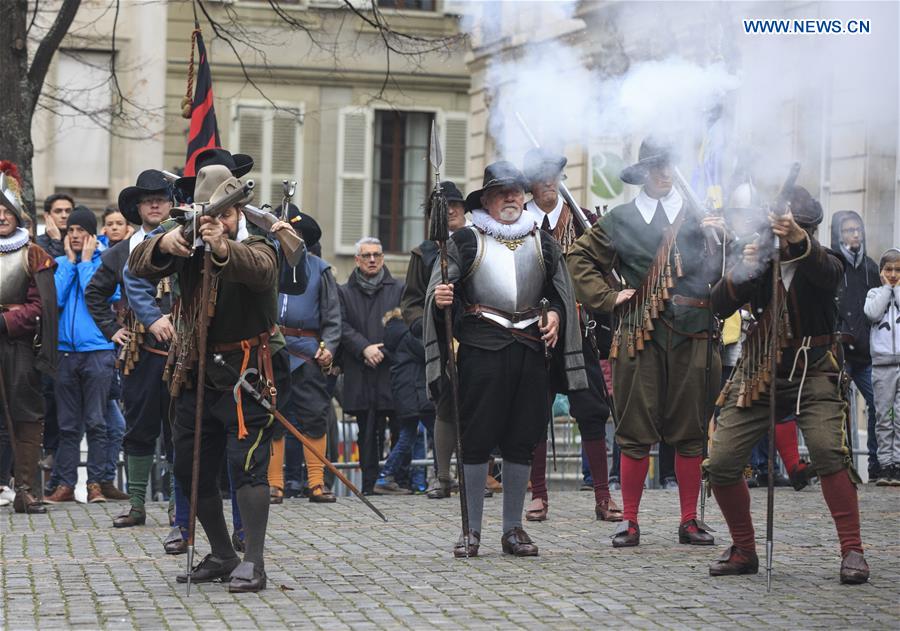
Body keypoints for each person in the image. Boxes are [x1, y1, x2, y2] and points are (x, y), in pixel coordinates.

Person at [129, 164, 292, 592]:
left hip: (250, 370)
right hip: (195, 370)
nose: (218, 221)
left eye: (225, 214)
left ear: (238, 210)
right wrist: (166, 241)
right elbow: (138, 263)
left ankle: (253, 561)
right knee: (189, 467)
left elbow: (262, 270)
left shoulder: (257, 242)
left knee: (248, 466)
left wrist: (222, 245)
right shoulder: (185, 241)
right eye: (212, 215)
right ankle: (222, 553)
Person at [704, 187, 869, 585]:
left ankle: (853, 550)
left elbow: (828, 274)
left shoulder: (823, 260)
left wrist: (799, 239)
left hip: (814, 368)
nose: (785, 234)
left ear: (808, 229)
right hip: (760, 366)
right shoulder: (759, 258)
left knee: (830, 453)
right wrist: (741, 273)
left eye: (797, 229)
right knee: (723, 462)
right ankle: (744, 548)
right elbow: (718, 305)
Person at [567, 138, 725, 548]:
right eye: (657, 166)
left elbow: (731, 271)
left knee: (691, 430)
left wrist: (720, 240)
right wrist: (607, 297)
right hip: (639, 333)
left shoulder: (699, 215)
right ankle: (631, 521)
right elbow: (578, 260)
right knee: (635, 427)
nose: (665, 173)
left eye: (670, 164)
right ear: (643, 173)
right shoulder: (620, 219)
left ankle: (690, 519)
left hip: (694, 332)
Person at [425, 161, 587, 558]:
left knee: (522, 439)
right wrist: (443, 300)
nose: (512, 197)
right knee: (477, 438)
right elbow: (442, 293)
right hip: (481, 349)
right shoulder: (465, 240)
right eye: (503, 192)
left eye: (517, 191)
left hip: (531, 350)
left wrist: (553, 314)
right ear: (488, 200)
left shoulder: (543, 243)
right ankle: (472, 531)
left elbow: (558, 293)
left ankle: (514, 530)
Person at [520, 148, 620, 522]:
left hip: (581, 333)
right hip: (532, 331)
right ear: (531, 183)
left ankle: (602, 495)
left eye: (555, 175)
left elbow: (605, 269)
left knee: (592, 411)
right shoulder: (518, 224)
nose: (549, 182)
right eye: (542, 175)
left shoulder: (583, 220)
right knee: (532, 411)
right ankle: (539, 495)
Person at [85, 170, 176, 526]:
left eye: (161, 198)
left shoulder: (184, 243)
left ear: (171, 204)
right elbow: (94, 294)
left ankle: (176, 506)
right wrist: (112, 330)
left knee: (179, 430)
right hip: (140, 354)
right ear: (137, 207)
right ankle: (137, 504)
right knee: (139, 427)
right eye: (147, 199)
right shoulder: (121, 252)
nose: (155, 204)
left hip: (184, 352)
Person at [44, 206, 118, 504]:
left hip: (98, 351)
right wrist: (70, 264)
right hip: (64, 353)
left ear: (92, 234)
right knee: (67, 424)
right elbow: (55, 299)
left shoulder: (105, 262)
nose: (75, 235)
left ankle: (96, 485)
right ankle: (65, 485)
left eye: (81, 231)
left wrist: (86, 263)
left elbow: (96, 295)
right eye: (71, 230)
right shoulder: (60, 263)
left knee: (97, 421)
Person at [399, 181, 467, 499]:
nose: (451, 210)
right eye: (443, 207)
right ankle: (442, 476)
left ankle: (476, 473)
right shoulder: (423, 254)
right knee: (445, 407)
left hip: (478, 336)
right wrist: (422, 324)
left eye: (456, 205)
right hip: (441, 341)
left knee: (480, 406)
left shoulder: (474, 244)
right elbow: (411, 301)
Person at [271, 207, 340, 503]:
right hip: (272, 351)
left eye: (294, 235)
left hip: (309, 354)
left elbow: (333, 318)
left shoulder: (320, 269)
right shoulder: (266, 266)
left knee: (314, 416)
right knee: (273, 417)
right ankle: (274, 484)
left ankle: (316, 483)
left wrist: (328, 349)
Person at [0, 164, 58, 514]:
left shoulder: (33, 253)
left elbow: (42, 307)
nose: (1, 218)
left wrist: (6, 320)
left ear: (17, 215)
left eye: (6, 212)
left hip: (18, 347)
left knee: (26, 415)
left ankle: (25, 490)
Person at [338, 237, 404, 495]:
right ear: (357, 260)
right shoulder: (344, 291)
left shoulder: (399, 288)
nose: (372, 260)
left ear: (383, 258)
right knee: (366, 432)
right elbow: (340, 325)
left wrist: (382, 350)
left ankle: (397, 480)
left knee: (398, 427)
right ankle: (367, 486)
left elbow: (405, 324)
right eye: (366, 255)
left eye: (376, 254)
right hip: (360, 369)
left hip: (391, 371)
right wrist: (363, 347)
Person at [830, 210, 882, 481]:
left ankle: (876, 464)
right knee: (838, 408)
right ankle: (843, 468)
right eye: (849, 230)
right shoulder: (832, 265)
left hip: (866, 351)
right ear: (839, 233)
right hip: (839, 351)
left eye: (858, 229)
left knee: (878, 402)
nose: (855, 234)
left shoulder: (871, 268)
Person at [374, 308, 435, 494]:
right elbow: (426, 353)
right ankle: (442, 476)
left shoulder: (393, 337)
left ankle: (386, 476)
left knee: (407, 436)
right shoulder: (407, 335)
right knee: (437, 432)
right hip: (417, 393)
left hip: (405, 395)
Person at [864, 248, 900, 486]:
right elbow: (873, 313)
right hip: (882, 366)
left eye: (898, 270)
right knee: (884, 417)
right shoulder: (874, 293)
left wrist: (896, 290)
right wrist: (888, 289)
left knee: (899, 417)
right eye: (889, 270)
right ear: (880, 273)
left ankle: (898, 463)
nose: (893, 274)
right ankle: (885, 463)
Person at [36, 193, 73, 258]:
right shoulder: (36, 244)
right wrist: (56, 240)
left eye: (68, 211)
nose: (64, 216)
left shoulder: (79, 242)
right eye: (58, 211)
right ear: (47, 216)